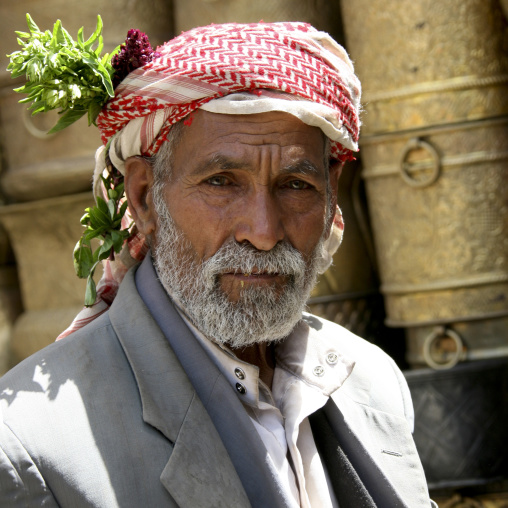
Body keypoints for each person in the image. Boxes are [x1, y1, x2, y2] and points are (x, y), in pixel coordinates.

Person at [0, 22, 435, 507]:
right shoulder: (30, 445)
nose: (264, 232)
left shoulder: (372, 382)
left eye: (296, 185)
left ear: (332, 196)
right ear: (144, 198)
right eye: (222, 182)